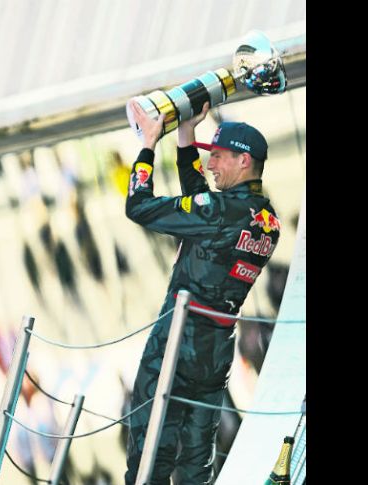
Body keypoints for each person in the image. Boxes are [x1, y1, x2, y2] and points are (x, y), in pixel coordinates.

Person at [124, 101, 281, 484]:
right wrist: (185, 136)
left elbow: (138, 206)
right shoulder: (267, 219)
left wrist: (148, 145)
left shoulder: (219, 212)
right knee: (197, 461)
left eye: (219, 158)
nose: (210, 165)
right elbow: (203, 206)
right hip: (216, 348)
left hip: (178, 340)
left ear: (243, 162)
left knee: (149, 452)